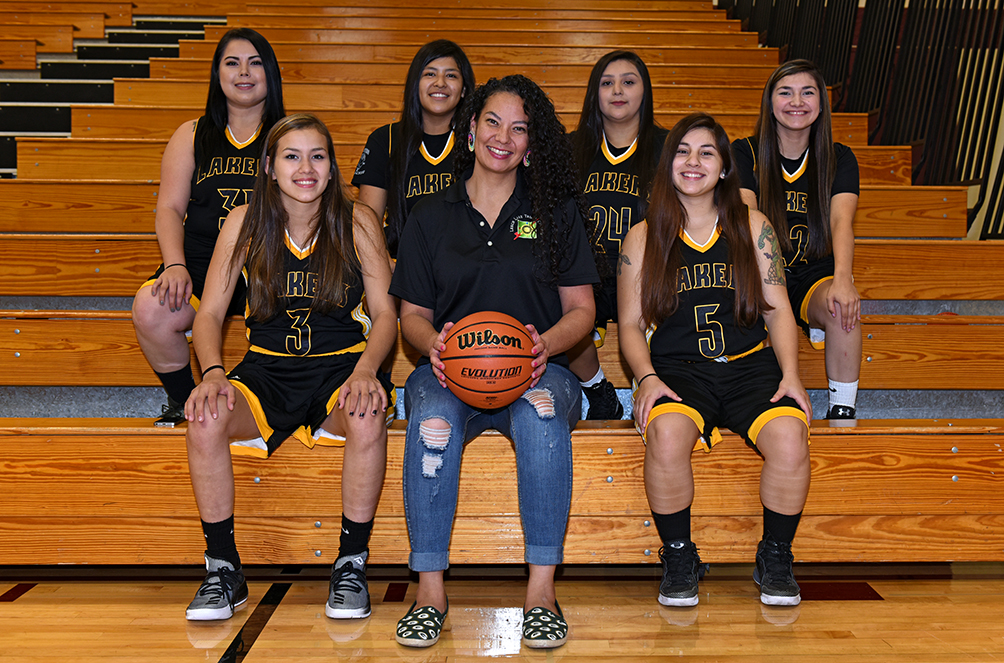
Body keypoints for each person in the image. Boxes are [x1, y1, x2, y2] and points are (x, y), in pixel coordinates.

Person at [390, 75, 599, 649]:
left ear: (532, 145)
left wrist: (544, 345)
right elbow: (411, 316)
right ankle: (429, 593)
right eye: (492, 122)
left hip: (538, 369)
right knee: (431, 422)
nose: (503, 137)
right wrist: (434, 344)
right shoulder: (429, 214)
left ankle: (541, 594)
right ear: (470, 130)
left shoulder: (556, 213)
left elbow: (582, 311)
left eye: (519, 128)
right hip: (449, 372)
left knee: (539, 414)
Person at [182, 114, 397, 622]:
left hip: (342, 367)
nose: (306, 168)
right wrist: (212, 372)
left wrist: (367, 371)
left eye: (317, 157)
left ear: (332, 167)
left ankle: (350, 563)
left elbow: (387, 315)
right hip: (266, 370)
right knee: (205, 418)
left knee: (366, 413)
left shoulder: (358, 220)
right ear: (269, 167)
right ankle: (223, 569)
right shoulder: (244, 221)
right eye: (292, 157)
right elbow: (209, 314)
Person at [617, 113, 812, 607]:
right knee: (665, 433)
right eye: (683, 151)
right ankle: (679, 555)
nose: (693, 161)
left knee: (790, 436)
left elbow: (778, 310)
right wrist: (646, 377)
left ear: (724, 167)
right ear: (668, 163)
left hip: (750, 366)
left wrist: (792, 375)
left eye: (707, 152)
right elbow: (630, 325)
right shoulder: (643, 236)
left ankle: (775, 555)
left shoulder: (753, 226)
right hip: (679, 370)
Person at [132, 28, 285, 426]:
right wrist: (174, 265)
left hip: (271, 260)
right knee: (151, 308)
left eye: (255, 63)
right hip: (202, 258)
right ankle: (185, 399)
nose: (243, 72)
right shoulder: (192, 134)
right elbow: (169, 208)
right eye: (232, 63)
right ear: (218, 74)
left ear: (270, 73)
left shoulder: (289, 135)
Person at [733, 60, 862, 419]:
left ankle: (842, 411)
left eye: (808, 92)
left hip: (812, 272)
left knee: (842, 306)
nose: (796, 102)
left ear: (821, 104)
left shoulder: (838, 157)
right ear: (769, 102)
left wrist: (843, 280)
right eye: (785, 92)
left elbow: (841, 222)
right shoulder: (745, 152)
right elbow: (748, 218)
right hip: (760, 272)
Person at [569, 50, 668, 420]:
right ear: (594, 93)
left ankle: (654, 383)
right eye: (607, 83)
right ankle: (598, 391)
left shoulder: (669, 148)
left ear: (645, 91)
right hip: (586, 276)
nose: (617, 90)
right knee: (552, 305)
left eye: (628, 82)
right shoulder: (570, 149)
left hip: (646, 274)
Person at [351, 39, 475, 258]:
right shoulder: (385, 140)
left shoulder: (478, 142)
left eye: (451, 75)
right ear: (415, 84)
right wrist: (390, 269)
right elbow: (366, 226)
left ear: (464, 89)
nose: (440, 83)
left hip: (465, 269)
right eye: (430, 74)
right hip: (400, 267)